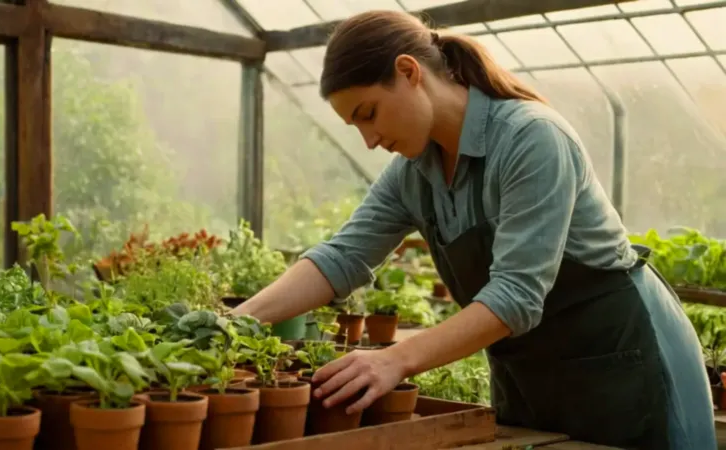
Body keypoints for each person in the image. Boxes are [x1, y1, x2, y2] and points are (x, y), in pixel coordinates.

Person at [231, 10, 716, 449]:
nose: (370, 140)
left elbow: (516, 295)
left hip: (622, 367)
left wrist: (395, 360)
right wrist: (237, 323)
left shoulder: (531, 139)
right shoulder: (413, 173)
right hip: (531, 376)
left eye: (369, 114)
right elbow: (342, 257)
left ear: (408, 72)